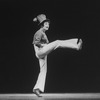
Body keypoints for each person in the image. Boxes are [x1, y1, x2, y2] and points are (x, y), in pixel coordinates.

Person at [32, 14, 82, 97]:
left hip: (43, 53)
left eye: (48, 24)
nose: (48, 25)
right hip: (40, 52)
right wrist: (44, 45)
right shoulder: (39, 32)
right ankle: (76, 46)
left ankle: (36, 88)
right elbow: (36, 43)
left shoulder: (43, 33)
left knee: (43, 71)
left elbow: (46, 43)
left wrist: (46, 46)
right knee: (58, 42)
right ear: (42, 25)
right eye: (46, 24)